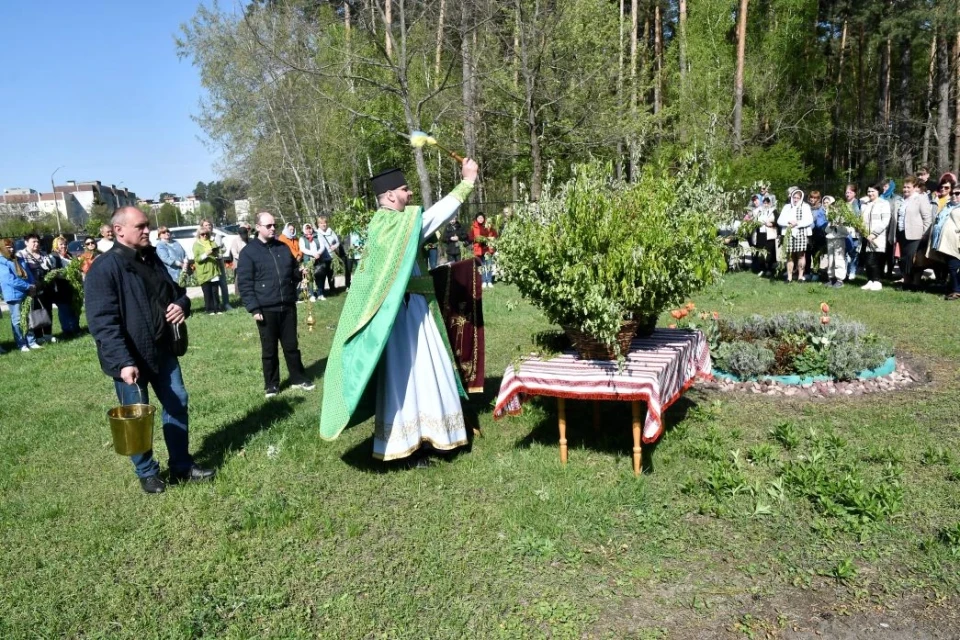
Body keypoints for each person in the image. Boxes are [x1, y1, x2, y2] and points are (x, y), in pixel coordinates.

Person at [320, 159, 480, 464]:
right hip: (400, 315)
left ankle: (434, 436)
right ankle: (408, 444)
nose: (410, 195)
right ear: (391, 195)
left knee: (428, 372)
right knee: (407, 377)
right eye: (406, 190)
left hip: (414, 310)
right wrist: (467, 182)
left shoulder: (390, 224)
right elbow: (433, 218)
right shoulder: (392, 224)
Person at [84, 206, 214, 494]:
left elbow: (176, 293)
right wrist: (123, 361)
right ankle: (147, 473)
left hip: (163, 350)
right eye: (140, 226)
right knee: (136, 419)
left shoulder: (152, 258)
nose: (147, 230)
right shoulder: (103, 269)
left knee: (177, 403)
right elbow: (103, 322)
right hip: (130, 359)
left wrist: (183, 305)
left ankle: (181, 466)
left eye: (148, 226)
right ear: (118, 230)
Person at [236, 212, 316, 398]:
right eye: (269, 225)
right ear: (258, 227)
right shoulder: (249, 252)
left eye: (274, 225)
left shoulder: (283, 247)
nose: (273, 228)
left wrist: (300, 273)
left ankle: (298, 378)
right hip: (265, 309)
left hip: (287, 305)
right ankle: (271, 384)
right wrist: (254, 308)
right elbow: (245, 284)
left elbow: (291, 272)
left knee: (291, 345)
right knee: (269, 349)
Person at [0, 240, 40, 352]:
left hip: (26, 292)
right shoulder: (1, 261)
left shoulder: (18, 258)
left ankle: (31, 341)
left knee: (28, 318)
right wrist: (28, 286)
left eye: (12, 246)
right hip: (13, 294)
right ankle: (21, 343)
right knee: (17, 320)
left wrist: (32, 285)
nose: (11, 249)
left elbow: (28, 273)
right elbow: (9, 280)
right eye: (8, 247)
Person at [896, 176, 933, 290]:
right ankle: (906, 282)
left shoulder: (921, 198)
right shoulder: (903, 200)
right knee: (903, 258)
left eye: (908, 187)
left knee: (913, 258)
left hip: (916, 234)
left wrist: (925, 234)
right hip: (902, 233)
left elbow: (927, 218)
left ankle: (916, 283)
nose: (906, 189)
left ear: (915, 187)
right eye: (904, 187)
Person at [17, 233, 56, 343]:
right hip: (32, 289)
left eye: (38, 242)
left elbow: (49, 268)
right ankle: (38, 336)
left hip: (46, 287)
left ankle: (48, 334)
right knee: (35, 312)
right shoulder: (21, 255)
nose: (36, 244)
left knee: (47, 310)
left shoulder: (43, 254)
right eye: (33, 241)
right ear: (26, 243)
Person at [928, 186, 960, 300]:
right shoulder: (947, 206)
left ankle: (957, 291)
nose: (954, 196)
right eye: (953, 193)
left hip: (956, 242)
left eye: (958, 193)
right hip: (944, 241)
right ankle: (952, 288)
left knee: (954, 266)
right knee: (949, 266)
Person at [859, 184, 891, 291]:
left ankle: (877, 280)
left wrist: (874, 234)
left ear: (878, 192)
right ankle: (870, 280)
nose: (870, 194)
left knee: (874, 259)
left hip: (877, 237)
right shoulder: (865, 204)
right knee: (866, 258)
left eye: (872, 191)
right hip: (865, 235)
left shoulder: (884, 204)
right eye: (868, 191)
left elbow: (885, 221)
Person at [777, 187, 813, 282]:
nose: (795, 199)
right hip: (788, 233)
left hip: (801, 233)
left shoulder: (805, 206)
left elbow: (809, 220)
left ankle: (800, 276)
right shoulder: (787, 207)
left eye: (797, 197)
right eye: (794, 197)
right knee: (790, 256)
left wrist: (798, 223)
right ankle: (789, 277)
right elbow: (779, 220)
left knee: (801, 255)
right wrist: (788, 222)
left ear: (801, 198)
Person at [48, 236, 81, 338]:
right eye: (61, 244)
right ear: (56, 245)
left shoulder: (70, 256)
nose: (64, 246)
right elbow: (54, 272)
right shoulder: (53, 257)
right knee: (64, 309)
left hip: (72, 286)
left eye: (65, 244)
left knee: (73, 308)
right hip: (60, 287)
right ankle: (67, 330)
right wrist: (67, 274)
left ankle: (75, 328)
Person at [192, 225, 223, 315]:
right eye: (202, 234)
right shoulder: (196, 245)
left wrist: (217, 255)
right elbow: (197, 259)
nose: (205, 235)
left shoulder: (212, 242)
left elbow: (219, 254)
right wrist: (206, 254)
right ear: (199, 235)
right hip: (204, 272)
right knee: (207, 292)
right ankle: (209, 309)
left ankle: (217, 308)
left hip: (214, 270)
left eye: (206, 234)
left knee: (215, 291)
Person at [820, 196, 848, 288]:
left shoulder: (842, 215)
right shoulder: (829, 215)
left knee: (839, 258)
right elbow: (827, 230)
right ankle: (831, 278)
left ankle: (840, 279)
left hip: (839, 239)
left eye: (829, 203)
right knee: (831, 259)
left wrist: (838, 225)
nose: (827, 205)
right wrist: (831, 226)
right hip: (830, 239)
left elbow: (846, 230)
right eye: (825, 203)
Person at [470, 213, 499, 288]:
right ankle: (483, 281)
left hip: (488, 248)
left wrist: (492, 238)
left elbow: (495, 234)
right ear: (476, 219)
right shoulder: (473, 227)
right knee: (481, 266)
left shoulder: (488, 225)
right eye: (479, 218)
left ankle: (489, 281)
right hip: (478, 249)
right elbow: (470, 237)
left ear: (484, 218)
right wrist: (476, 239)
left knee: (489, 265)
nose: (480, 219)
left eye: (482, 218)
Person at [299, 222, 324, 301]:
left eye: (309, 228)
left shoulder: (317, 236)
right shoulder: (302, 239)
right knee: (310, 278)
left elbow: (322, 246)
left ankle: (320, 294)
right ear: (304, 230)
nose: (308, 230)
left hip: (318, 259)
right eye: (307, 229)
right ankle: (312, 295)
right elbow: (303, 249)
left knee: (319, 276)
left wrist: (319, 253)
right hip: (308, 260)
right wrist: (313, 254)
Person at [316, 215, 340, 294]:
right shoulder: (317, 233)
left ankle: (332, 290)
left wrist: (335, 246)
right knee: (322, 275)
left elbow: (337, 242)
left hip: (332, 256)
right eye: (321, 223)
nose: (324, 224)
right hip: (322, 257)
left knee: (331, 274)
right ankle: (321, 292)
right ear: (318, 224)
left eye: (325, 223)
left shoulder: (331, 231)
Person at [756, 196, 778, 277]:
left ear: (770, 203)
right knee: (761, 252)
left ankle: (770, 269)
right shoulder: (759, 211)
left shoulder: (774, 211)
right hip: (761, 234)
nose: (765, 204)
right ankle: (762, 269)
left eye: (767, 203)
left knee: (770, 252)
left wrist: (772, 224)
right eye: (764, 203)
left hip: (770, 234)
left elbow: (777, 221)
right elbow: (756, 220)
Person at [843, 184, 862, 280]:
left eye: (850, 192)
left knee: (854, 253)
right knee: (845, 253)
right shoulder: (843, 205)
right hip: (845, 232)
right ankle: (845, 272)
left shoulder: (858, 203)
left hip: (855, 232)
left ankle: (852, 271)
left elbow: (860, 217)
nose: (847, 194)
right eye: (846, 192)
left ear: (854, 193)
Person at [228, 223, 250, 298]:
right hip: (239, 263)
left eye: (245, 234)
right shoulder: (235, 241)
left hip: (248, 263)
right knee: (238, 278)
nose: (244, 236)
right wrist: (242, 257)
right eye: (243, 235)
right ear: (239, 234)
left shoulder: (249, 240)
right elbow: (234, 253)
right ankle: (238, 294)